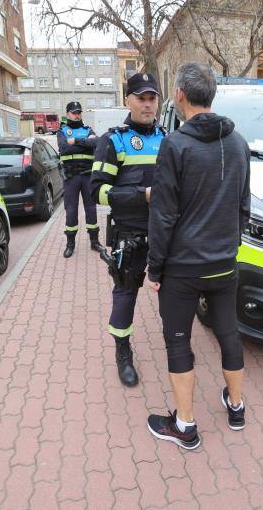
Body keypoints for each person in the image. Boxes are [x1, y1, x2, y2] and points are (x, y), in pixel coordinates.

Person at [145, 62, 251, 449]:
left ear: (179, 96)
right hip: (224, 263)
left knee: (178, 341)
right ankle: (236, 406)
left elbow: (164, 214)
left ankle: (185, 426)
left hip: (182, 268)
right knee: (228, 332)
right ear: (212, 95)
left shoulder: (175, 145)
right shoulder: (239, 143)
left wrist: (155, 267)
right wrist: (229, 248)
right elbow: (243, 206)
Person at [90, 73, 166, 387]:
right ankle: (123, 352)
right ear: (128, 101)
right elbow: (97, 192)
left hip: (165, 233)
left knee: (174, 295)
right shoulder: (113, 140)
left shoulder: (167, 138)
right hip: (130, 234)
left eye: (152, 98)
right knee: (125, 295)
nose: (148, 104)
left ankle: (176, 343)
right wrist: (140, 195)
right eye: (141, 98)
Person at [58, 101, 102, 258]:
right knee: (71, 210)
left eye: (79, 112)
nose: (77, 115)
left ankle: (94, 241)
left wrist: (76, 142)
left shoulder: (88, 129)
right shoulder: (63, 130)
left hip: (87, 175)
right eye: (73, 112)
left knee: (91, 209)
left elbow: (96, 142)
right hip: (71, 177)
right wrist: (85, 144)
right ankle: (70, 244)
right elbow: (64, 148)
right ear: (68, 114)